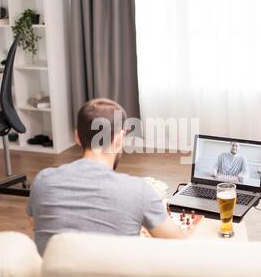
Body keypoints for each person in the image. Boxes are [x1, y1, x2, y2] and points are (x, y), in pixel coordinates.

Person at [27, 98, 185, 254]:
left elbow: (38, 224)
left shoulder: (43, 181)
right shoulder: (139, 191)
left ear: (77, 136)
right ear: (119, 139)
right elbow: (181, 246)